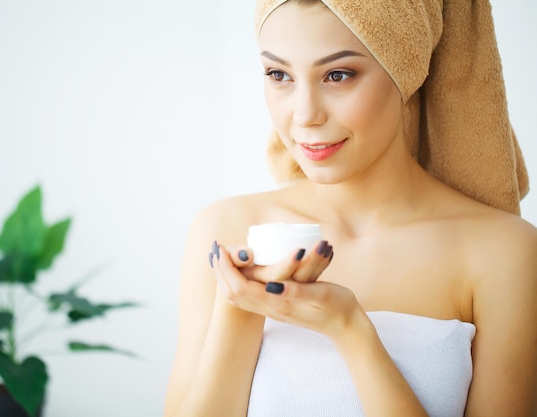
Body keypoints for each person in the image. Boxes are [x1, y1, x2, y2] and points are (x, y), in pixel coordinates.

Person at [164, 0, 537, 416]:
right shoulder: (227, 228)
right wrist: (244, 310)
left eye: (337, 75)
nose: (304, 115)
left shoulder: (502, 250)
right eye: (278, 75)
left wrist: (351, 331)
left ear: (406, 70)